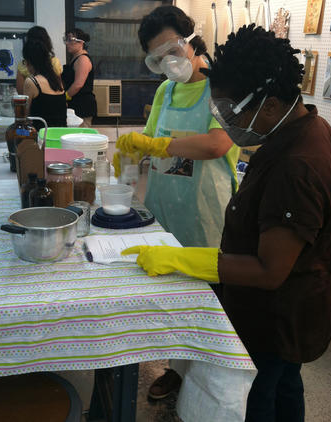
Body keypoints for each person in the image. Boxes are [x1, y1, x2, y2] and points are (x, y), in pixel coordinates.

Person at [122, 25, 331, 422]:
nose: (222, 119)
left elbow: (270, 270)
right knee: (285, 385)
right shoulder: (302, 127)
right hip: (286, 310)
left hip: (279, 316)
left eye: (227, 110)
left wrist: (183, 260)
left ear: (269, 106)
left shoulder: (297, 164)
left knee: (260, 394)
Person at [114, 5, 240, 400]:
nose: (168, 62)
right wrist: (131, 153)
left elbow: (219, 143)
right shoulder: (165, 90)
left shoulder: (222, 87)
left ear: (190, 39)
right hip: (166, 209)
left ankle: (212, 380)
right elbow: (150, 144)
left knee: (209, 302)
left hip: (207, 213)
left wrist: (158, 144)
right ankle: (175, 370)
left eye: (172, 49)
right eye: (157, 58)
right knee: (170, 301)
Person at [21, 33, 67, 130]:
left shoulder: (31, 81)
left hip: (42, 137)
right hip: (60, 136)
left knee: (14, 135)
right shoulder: (56, 80)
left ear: (29, 61)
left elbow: (24, 116)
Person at [61, 28, 97, 125]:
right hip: (75, 104)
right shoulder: (75, 58)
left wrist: (65, 97)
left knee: (81, 137)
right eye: (66, 40)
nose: (67, 43)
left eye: (70, 40)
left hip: (82, 106)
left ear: (81, 43)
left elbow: (78, 84)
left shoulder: (83, 59)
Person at [16, 26, 63, 95]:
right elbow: (60, 89)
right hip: (53, 101)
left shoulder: (24, 64)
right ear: (47, 41)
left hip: (32, 102)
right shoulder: (54, 62)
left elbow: (21, 92)